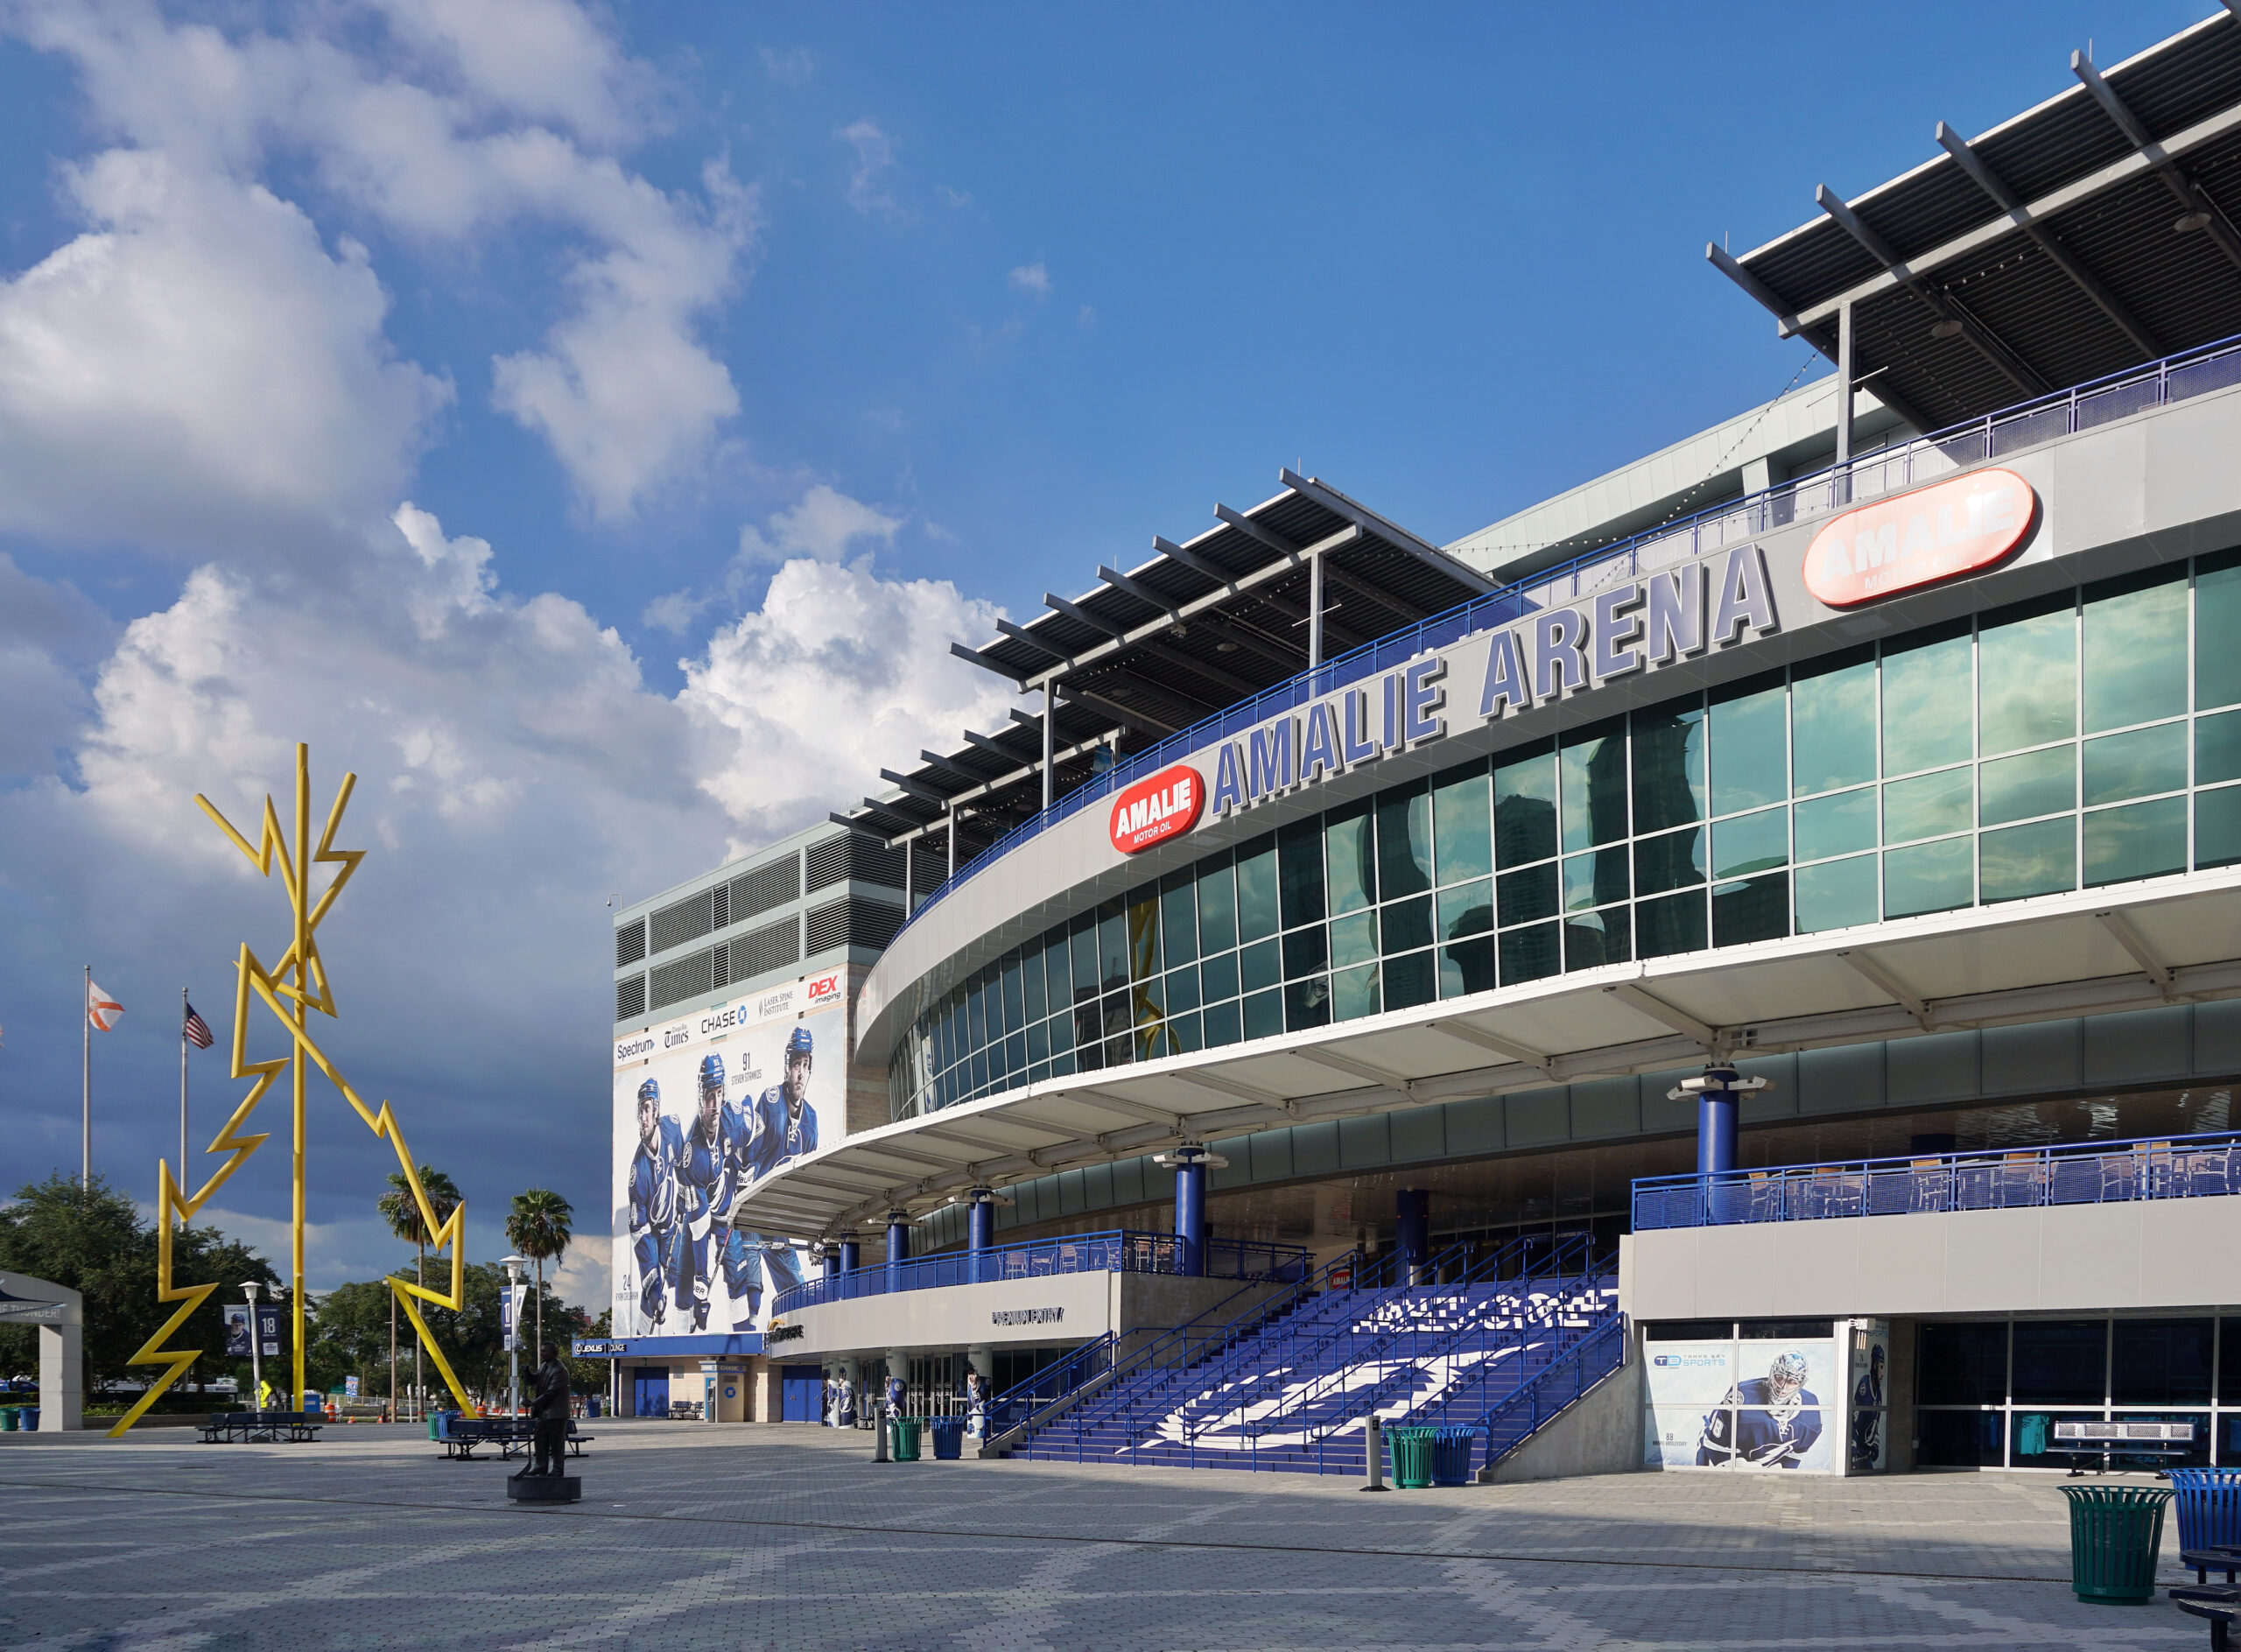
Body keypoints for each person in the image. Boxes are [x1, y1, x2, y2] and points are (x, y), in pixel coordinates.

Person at [1697, 1350, 1823, 1469]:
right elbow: (1713, 1443)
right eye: (1780, 1377)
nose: (1783, 1386)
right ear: (1772, 1373)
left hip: (1762, 1461)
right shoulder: (1743, 1396)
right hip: (1724, 1451)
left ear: (1801, 1384)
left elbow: (1793, 1457)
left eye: (1792, 1381)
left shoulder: (1810, 1414)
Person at [627, 1079, 685, 1332]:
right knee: (654, 1293)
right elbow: (640, 1232)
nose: (643, 1117)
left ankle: (686, 1335)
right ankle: (641, 1337)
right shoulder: (637, 1172)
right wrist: (653, 1289)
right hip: (651, 1234)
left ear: (657, 1110)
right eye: (640, 1110)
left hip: (672, 1227)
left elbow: (684, 1163)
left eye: (647, 1109)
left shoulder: (673, 1127)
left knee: (686, 1275)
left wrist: (685, 1190)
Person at [513, 1344, 572, 1480]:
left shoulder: (559, 1370)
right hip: (543, 1413)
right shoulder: (544, 1367)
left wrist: (532, 1403)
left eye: (544, 1351)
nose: (542, 1354)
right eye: (541, 1351)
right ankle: (540, 1466)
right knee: (540, 1440)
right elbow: (533, 1380)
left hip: (556, 1413)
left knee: (556, 1443)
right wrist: (526, 1373)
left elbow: (551, 1393)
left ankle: (557, 1469)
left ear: (553, 1353)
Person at [1849, 1343, 1886, 1472]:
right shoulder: (1864, 1385)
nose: (1883, 1373)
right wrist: (1853, 1446)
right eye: (1881, 1367)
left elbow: (1875, 1424)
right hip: (1858, 1454)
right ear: (1875, 1365)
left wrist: (1875, 1443)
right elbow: (1854, 1421)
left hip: (1867, 1455)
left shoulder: (1879, 1395)